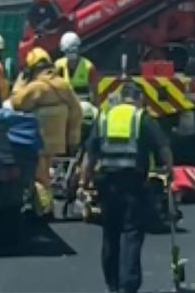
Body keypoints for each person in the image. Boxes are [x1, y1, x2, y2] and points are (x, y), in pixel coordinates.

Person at [82, 81, 174, 293]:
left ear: (122, 98)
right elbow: (163, 148)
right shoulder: (142, 118)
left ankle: (112, 284)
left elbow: (90, 154)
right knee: (131, 233)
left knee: (110, 233)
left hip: (107, 183)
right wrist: (169, 172)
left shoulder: (105, 117)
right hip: (133, 184)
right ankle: (128, 285)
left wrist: (85, 181)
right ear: (139, 98)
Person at [9, 47, 83, 218]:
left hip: (40, 140)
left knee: (40, 178)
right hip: (58, 141)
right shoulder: (63, 85)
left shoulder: (36, 88)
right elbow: (76, 110)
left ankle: (45, 209)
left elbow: (17, 103)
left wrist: (20, 82)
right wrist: (73, 139)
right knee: (47, 172)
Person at [54, 32, 98, 100]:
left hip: (83, 107)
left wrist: (96, 109)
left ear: (78, 49)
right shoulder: (58, 65)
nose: (71, 54)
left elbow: (95, 93)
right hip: (65, 107)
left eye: (73, 50)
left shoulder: (88, 67)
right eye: (68, 51)